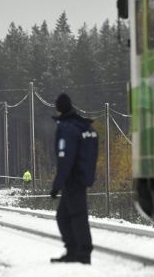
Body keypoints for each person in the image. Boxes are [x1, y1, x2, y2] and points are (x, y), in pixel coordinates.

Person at [49, 93, 99, 265]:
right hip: (81, 177)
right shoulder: (82, 125)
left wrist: (57, 184)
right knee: (64, 216)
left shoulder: (67, 128)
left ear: (59, 107)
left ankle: (83, 253)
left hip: (73, 179)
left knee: (77, 215)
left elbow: (65, 159)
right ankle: (73, 251)